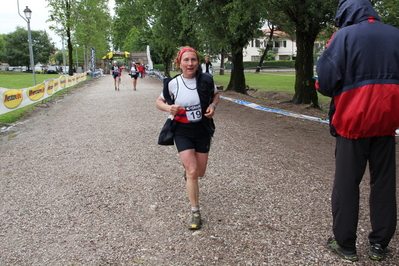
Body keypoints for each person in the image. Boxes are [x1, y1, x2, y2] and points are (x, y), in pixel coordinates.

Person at [316, 0, 399, 262]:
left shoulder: (343, 37)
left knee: (347, 184)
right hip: (387, 122)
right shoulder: (395, 34)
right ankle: (379, 244)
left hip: (353, 122)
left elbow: (326, 82)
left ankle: (346, 244)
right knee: (384, 183)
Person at [155, 46, 220, 230]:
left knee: (200, 172)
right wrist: (168, 108)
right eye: (186, 60)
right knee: (192, 171)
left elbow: (216, 95)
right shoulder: (172, 84)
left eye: (193, 60)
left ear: (198, 62)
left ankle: (190, 173)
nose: (190, 63)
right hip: (181, 130)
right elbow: (158, 102)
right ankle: (195, 212)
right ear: (179, 63)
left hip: (202, 130)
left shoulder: (206, 80)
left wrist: (213, 106)